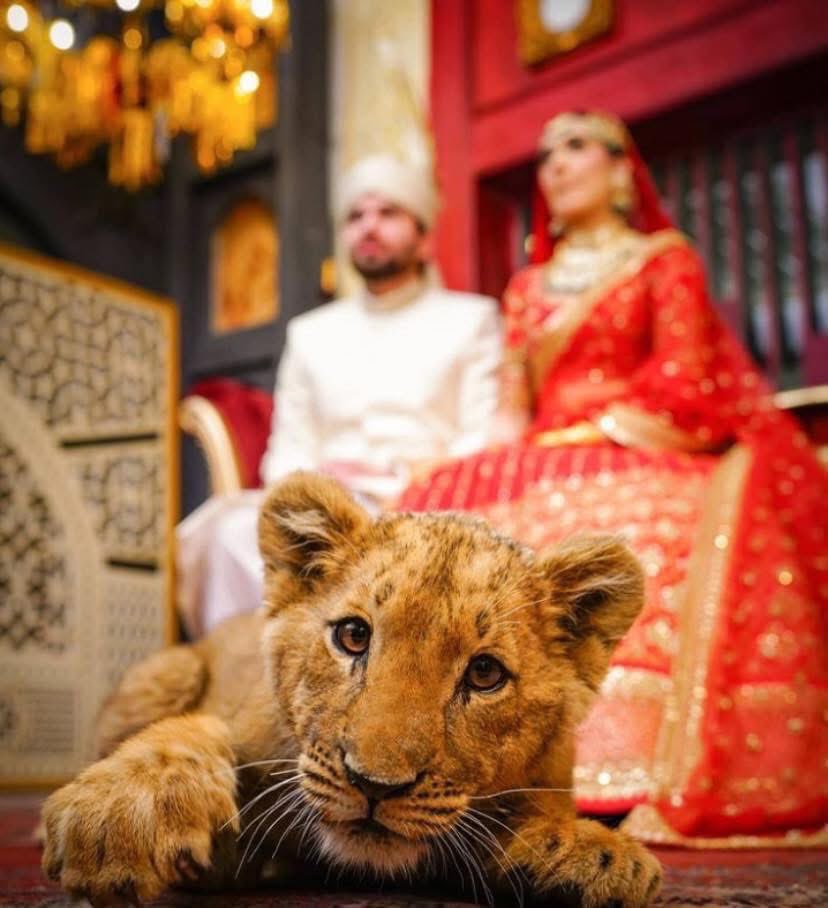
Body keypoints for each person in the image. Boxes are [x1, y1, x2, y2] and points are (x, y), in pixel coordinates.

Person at [397, 111, 828, 845]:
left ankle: (624, 766)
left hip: (639, 439)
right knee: (430, 507)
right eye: (545, 154)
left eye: (574, 149)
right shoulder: (529, 287)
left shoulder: (664, 260)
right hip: (539, 448)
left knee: (640, 517)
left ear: (621, 170)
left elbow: (685, 380)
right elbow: (512, 408)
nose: (554, 167)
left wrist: (601, 430)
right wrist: (459, 463)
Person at [177, 154, 501, 636]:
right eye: (356, 216)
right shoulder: (312, 334)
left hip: (424, 504)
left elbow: (484, 438)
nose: (369, 226)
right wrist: (321, 486)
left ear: (423, 235)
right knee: (226, 534)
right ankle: (250, 680)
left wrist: (408, 477)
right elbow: (286, 451)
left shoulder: (471, 320)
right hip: (326, 505)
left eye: (388, 213)